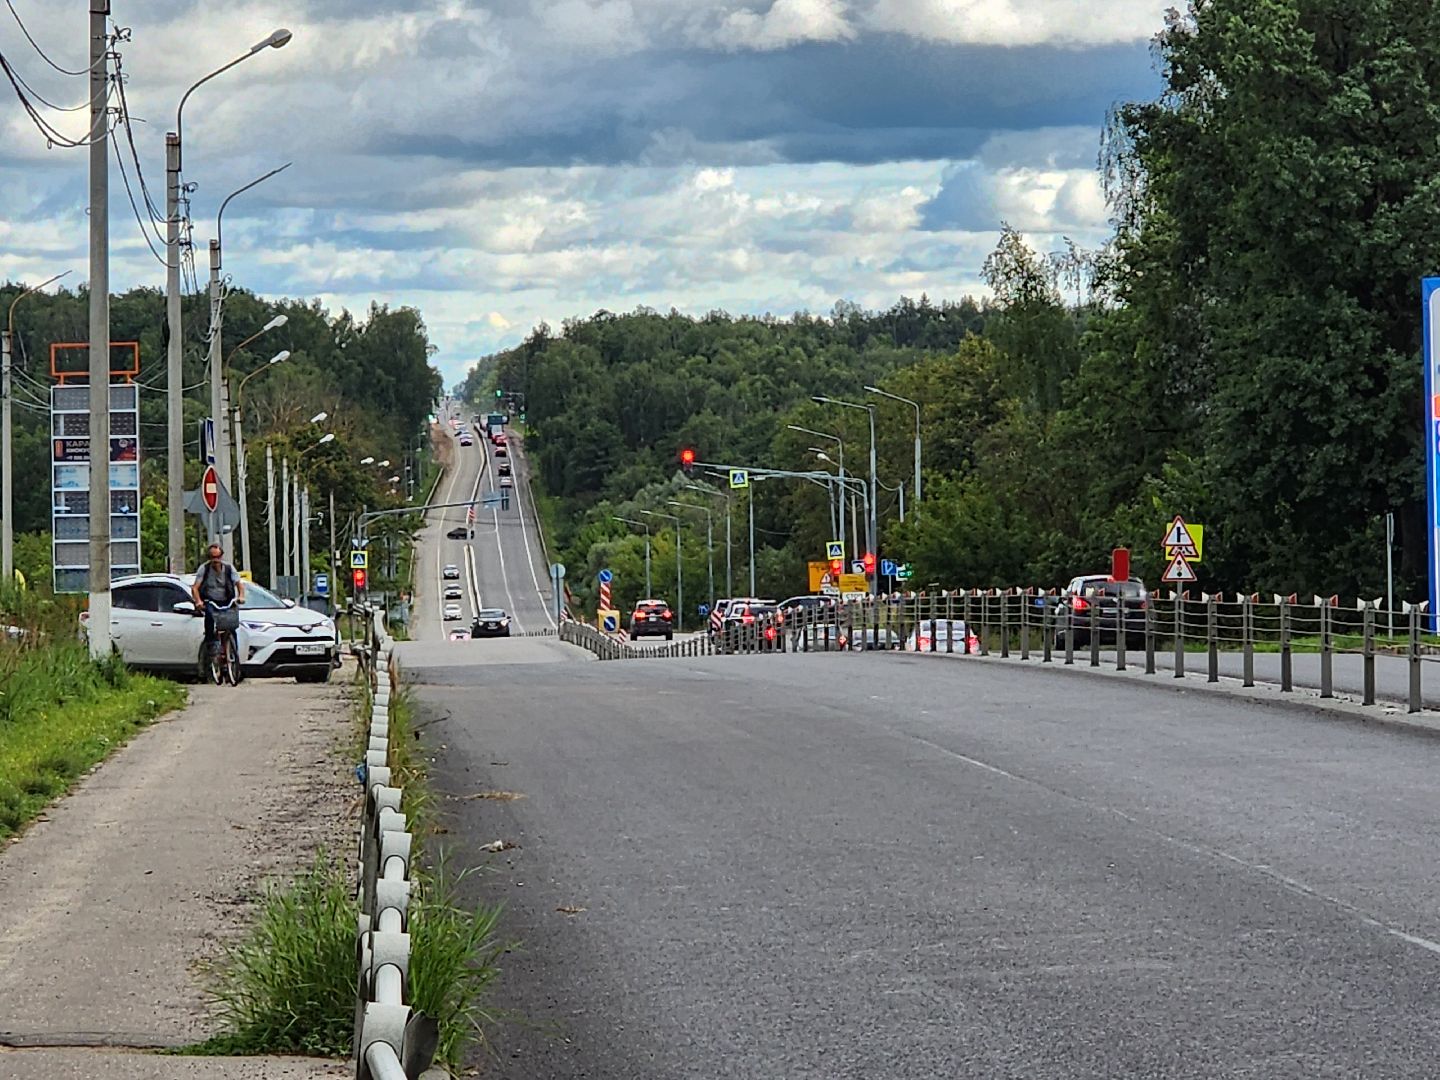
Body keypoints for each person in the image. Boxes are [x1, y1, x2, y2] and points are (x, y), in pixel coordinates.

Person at [192, 542, 244, 653]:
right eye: (212, 557)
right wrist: (198, 602)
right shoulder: (204, 569)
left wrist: (241, 596)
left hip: (226, 600)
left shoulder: (229, 568)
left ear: (221, 557)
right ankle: (211, 643)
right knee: (209, 616)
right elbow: (195, 588)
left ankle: (233, 652)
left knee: (231, 624)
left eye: (218, 557)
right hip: (211, 600)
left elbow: (239, 584)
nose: (215, 560)